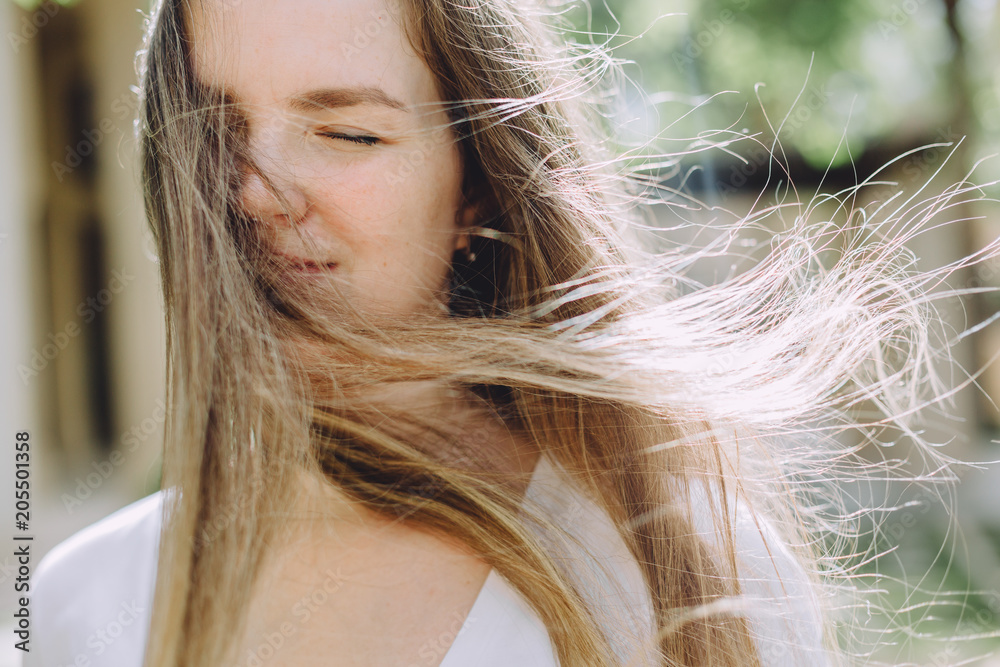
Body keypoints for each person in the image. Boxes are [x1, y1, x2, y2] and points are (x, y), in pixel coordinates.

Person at [26, 0, 986, 665]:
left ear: (476, 181)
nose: (253, 192)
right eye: (212, 131)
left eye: (349, 134)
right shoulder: (72, 607)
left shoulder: (680, 569)